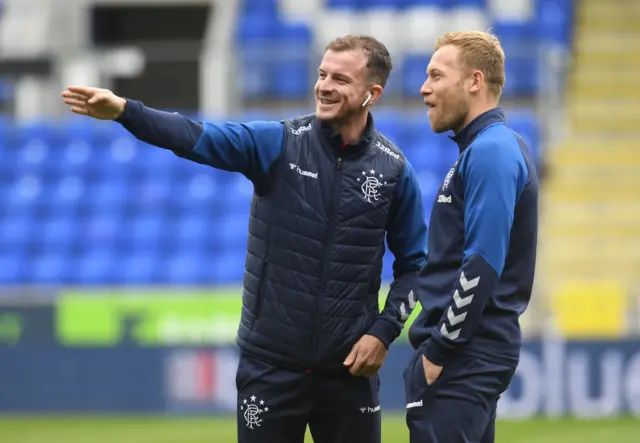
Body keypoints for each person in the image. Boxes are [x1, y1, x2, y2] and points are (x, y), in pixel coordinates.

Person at [62, 35, 427, 443]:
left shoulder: (395, 172)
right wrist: (127, 111)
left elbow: (416, 267)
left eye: (340, 79)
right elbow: (195, 137)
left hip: (348, 373)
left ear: (371, 93)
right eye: (322, 74)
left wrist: (382, 332)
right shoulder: (279, 143)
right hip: (271, 368)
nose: (324, 86)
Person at [403, 31, 539, 443]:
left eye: (436, 76)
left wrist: (438, 352)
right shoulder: (484, 148)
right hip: (469, 356)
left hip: (463, 358)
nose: (424, 88)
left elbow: (481, 264)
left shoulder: (491, 151)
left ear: (474, 81)